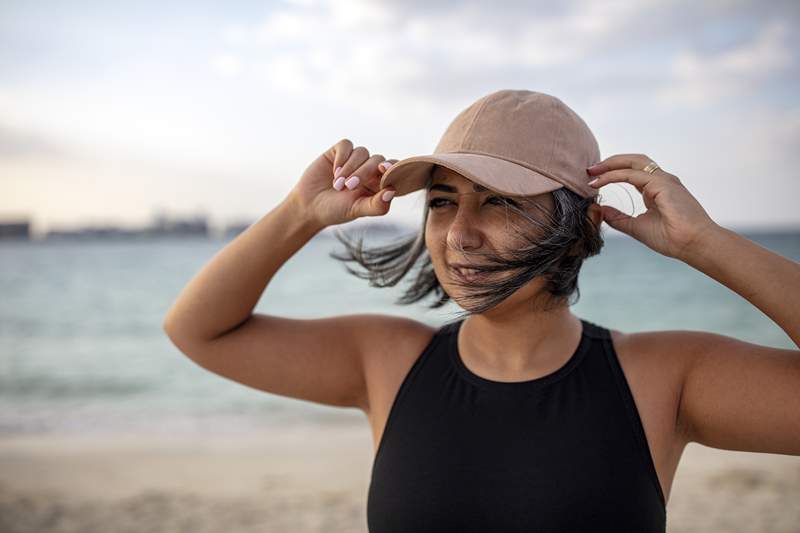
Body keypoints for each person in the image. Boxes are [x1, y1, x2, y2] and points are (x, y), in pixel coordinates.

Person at [163, 89, 800, 532]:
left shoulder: (663, 377)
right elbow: (197, 331)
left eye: (499, 202)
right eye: (443, 201)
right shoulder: (386, 362)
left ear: (578, 228)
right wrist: (299, 216)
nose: (460, 234)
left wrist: (705, 243)